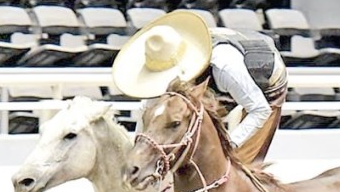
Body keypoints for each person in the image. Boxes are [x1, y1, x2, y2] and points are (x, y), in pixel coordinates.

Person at [112, 10, 288, 164]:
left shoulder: (225, 67)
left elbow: (260, 110)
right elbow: (147, 109)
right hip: (217, 81)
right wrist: (136, 153)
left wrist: (229, 145)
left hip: (265, 81)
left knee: (240, 161)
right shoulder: (164, 56)